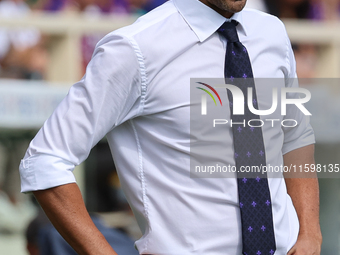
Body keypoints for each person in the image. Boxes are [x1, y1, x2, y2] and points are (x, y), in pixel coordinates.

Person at [19, 0, 322, 254]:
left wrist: (310, 233)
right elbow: (44, 161)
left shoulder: (272, 33)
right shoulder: (134, 48)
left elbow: (294, 135)